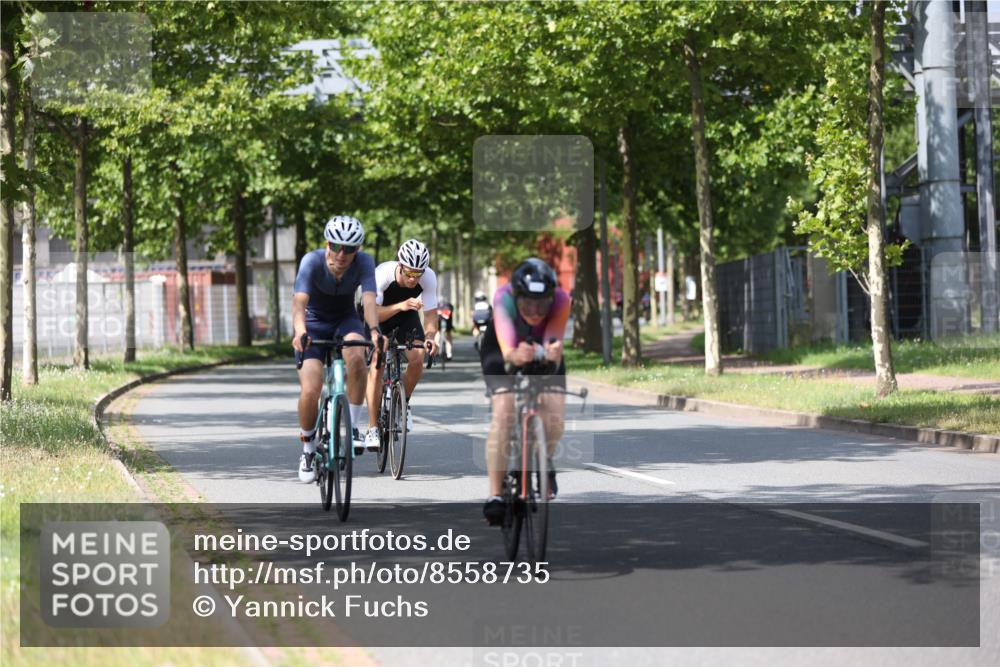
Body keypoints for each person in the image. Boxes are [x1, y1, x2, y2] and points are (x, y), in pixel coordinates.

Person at [292, 215, 385, 483]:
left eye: (350, 249)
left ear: (358, 250)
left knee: (357, 357)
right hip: (313, 323)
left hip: (346, 319)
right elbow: (299, 302)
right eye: (336, 246)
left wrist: (376, 331)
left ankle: (353, 427)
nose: (342, 254)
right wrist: (300, 330)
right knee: (311, 388)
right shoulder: (311, 260)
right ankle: (308, 449)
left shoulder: (365, 262)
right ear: (327, 244)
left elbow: (368, 301)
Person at [479, 258, 570, 525]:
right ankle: (496, 494)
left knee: (554, 411)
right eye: (528, 302)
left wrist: (552, 353)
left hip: (540, 347)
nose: (535, 310)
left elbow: (552, 340)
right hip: (502, 348)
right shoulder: (502, 298)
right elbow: (508, 352)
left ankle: (544, 460)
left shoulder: (563, 300)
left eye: (542, 303)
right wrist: (516, 355)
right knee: (505, 409)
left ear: (552, 298)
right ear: (516, 296)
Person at [362, 239, 440, 450]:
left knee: (417, 357)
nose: (414, 279)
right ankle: (372, 428)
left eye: (419, 274)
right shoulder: (382, 275)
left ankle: (402, 403)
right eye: (410, 273)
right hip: (378, 316)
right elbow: (372, 312)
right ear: (400, 265)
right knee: (377, 362)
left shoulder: (429, 277)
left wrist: (431, 337)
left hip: (406, 316)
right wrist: (401, 305)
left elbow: (431, 316)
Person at [471, 289, 493, 353]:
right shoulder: (487, 305)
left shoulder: (475, 306)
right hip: (486, 320)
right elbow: (491, 313)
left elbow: (472, 314)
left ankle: (475, 340)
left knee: (475, 328)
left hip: (477, 320)